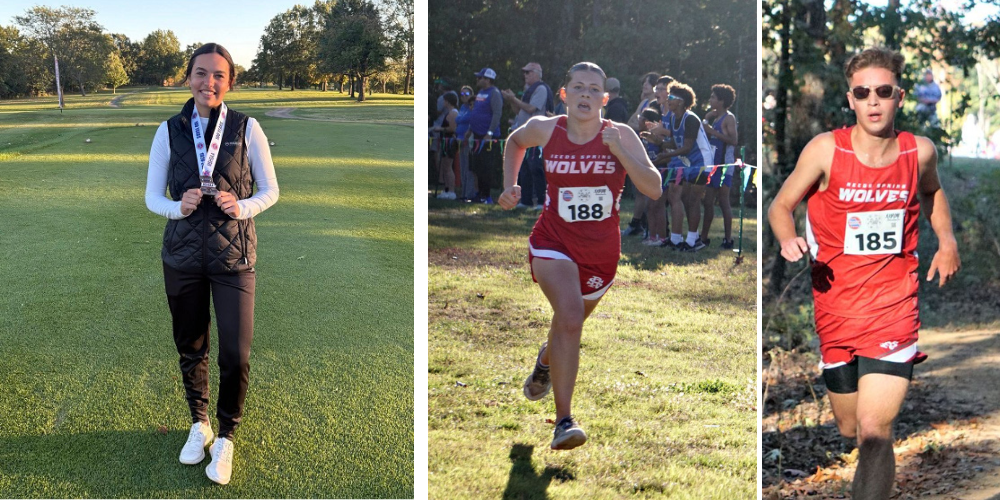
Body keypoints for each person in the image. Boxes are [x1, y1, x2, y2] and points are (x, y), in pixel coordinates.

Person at [767, 47, 960, 500]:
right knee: (851, 427)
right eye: (863, 92)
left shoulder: (919, 152)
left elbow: (932, 195)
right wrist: (786, 237)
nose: (873, 101)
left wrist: (947, 241)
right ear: (851, 99)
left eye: (884, 91)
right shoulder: (826, 150)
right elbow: (780, 205)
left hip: (894, 307)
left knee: (875, 431)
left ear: (900, 96)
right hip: (836, 308)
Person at [497, 62, 662, 450]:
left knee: (567, 325)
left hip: (601, 252)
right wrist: (510, 186)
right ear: (565, 95)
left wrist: (620, 150)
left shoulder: (619, 134)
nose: (585, 95)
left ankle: (545, 361)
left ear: (604, 99)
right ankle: (564, 421)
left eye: (593, 89)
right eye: (578, 88)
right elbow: (514, 142)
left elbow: (653, 188)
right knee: (570, 317)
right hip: (552, 240)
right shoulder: (546, 127)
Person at [144, 43, 279, 486]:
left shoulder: (247, 128)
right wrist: (174, 207)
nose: (209, 82)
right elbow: (151, 197)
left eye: (219, 75)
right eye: (201, 73)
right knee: (191, 346)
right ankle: (199, 423)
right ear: (188, 78)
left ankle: (227, 437)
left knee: (235, 354)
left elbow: (270, 190)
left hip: (234, 257)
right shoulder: (168, 131)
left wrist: (241, 207)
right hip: (181, 257)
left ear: (230, 81)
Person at [652, 82, 714, 251]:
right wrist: (659, 143)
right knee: (685, 199)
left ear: (680, 101)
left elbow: (686, 147)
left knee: (693, 200)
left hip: (702, 163)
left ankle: (694, 241)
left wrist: (665, 155)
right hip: (689, 164)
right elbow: (675, 142)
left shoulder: (691, 118)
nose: (668, 100)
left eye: (671, 97)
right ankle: (679, 239)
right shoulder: (673, 118)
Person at [502, 62, 552, 209]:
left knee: (535, 166)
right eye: (524, 72)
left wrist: (514, 98)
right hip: (525, 134)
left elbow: (531, 109)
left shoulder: (541, 88)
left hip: (537, 134)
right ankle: (526, 200)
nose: (525, 75)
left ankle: (543, 201)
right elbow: (520, 111)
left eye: (528, 72)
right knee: (524, 167)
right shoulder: (529, 90)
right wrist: (511, 100)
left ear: (537, 73)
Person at [701, 84, 738, 249]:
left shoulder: (729, 118)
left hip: (724, 166)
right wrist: (707, 118)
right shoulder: (715, 118)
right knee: (707, 201)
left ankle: (728, 239)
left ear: (722, 101)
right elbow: (703, 130)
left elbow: (733, 140)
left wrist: (714, 133)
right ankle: (703, 237)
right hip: (712, 165)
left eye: (713, 97)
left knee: (723, 201)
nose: (710, 100)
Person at [465, 67, 503, 203]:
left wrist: (490, 133)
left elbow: (497, 114)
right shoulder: (481, 92)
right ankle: (479, 194)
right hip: (476, 135)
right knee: (478, 166)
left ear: (487, 80)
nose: (477, 79)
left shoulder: (495, 93)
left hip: (487, 137)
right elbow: (476, 112)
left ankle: (486, 196)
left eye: (480, 77)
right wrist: (470, 130)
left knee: (486, 166)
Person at [433, 92, 460, 199]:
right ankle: (446, 189)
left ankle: (452, 191)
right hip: (445, 141)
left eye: (444, 100)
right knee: (444, 166)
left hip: (450, 142)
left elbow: (453, 128)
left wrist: (440, 129)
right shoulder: (448, 112)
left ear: (448, 101)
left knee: (448, 166)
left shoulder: (453, 113)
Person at [455, 85, 477, 200]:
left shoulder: (472, 107)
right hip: (459, 140)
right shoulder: (462, 108)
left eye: (466, 94)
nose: (464, 96)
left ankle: (469, 194)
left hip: (468, 140)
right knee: (462, 167)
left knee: (469, 168)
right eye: (462, 94)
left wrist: (466, 137)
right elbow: (458, 120)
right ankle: (463, 193)